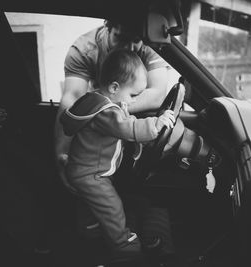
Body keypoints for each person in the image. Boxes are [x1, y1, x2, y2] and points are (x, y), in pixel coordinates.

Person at [59, 49, 175, 258]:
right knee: (112, 206)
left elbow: (121, 118)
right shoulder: (106, 112)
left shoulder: (96, 101)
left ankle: (88, 228)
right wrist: (156, 124)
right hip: (91, 176)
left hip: (81, 170)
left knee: (89, 202)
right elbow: (127, 128)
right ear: (114, 87)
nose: (132, 102)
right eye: (133, 95)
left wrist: (124, 107)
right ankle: (124, 246)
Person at [55, 19, 169, 190]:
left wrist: (112, 111)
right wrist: (61, 153)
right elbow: (73, 98)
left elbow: (157, 94)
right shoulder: (84, 50)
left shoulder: (148, 44)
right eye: (121, 37)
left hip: (118, 121)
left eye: (136, 40)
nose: (129, 48)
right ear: (107, 26)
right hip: (97, 133)